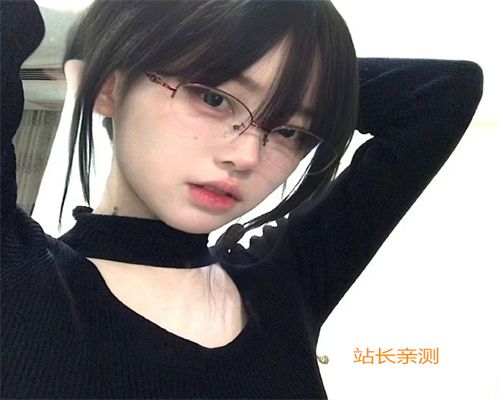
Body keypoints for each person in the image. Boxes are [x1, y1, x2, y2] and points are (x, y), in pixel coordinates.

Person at [0, 1, 483, 398]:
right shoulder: (20, 276)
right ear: (109, 85)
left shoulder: (285, 284)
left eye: (290, 130)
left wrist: (300, 73)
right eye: (213, 98)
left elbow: (443, 93)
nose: (248, 155)